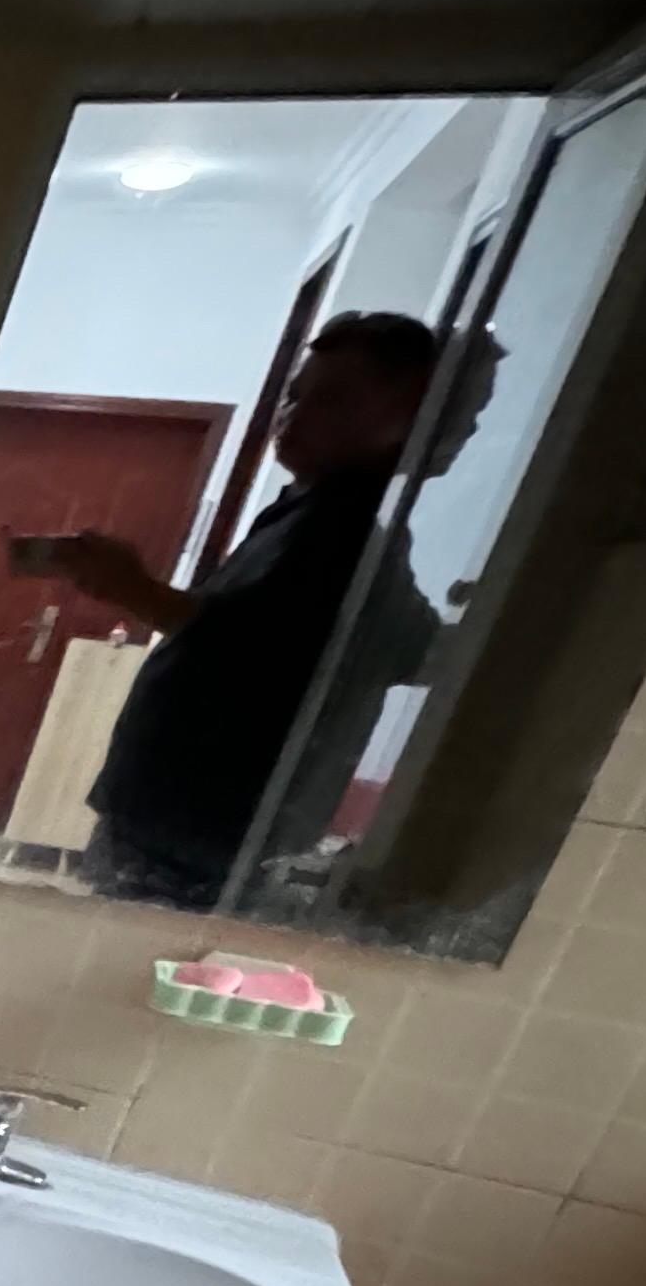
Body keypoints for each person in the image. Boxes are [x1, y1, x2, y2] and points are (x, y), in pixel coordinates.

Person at [25, 310, 452, 910]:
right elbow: (389, 646)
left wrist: (134, 588)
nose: (295, 414)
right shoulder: (306, 512)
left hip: (200, 836)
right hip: (175, 823)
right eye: (295, 395)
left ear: (401, 418)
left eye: (332, 400)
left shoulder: (343, 530)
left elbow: (246, 648)